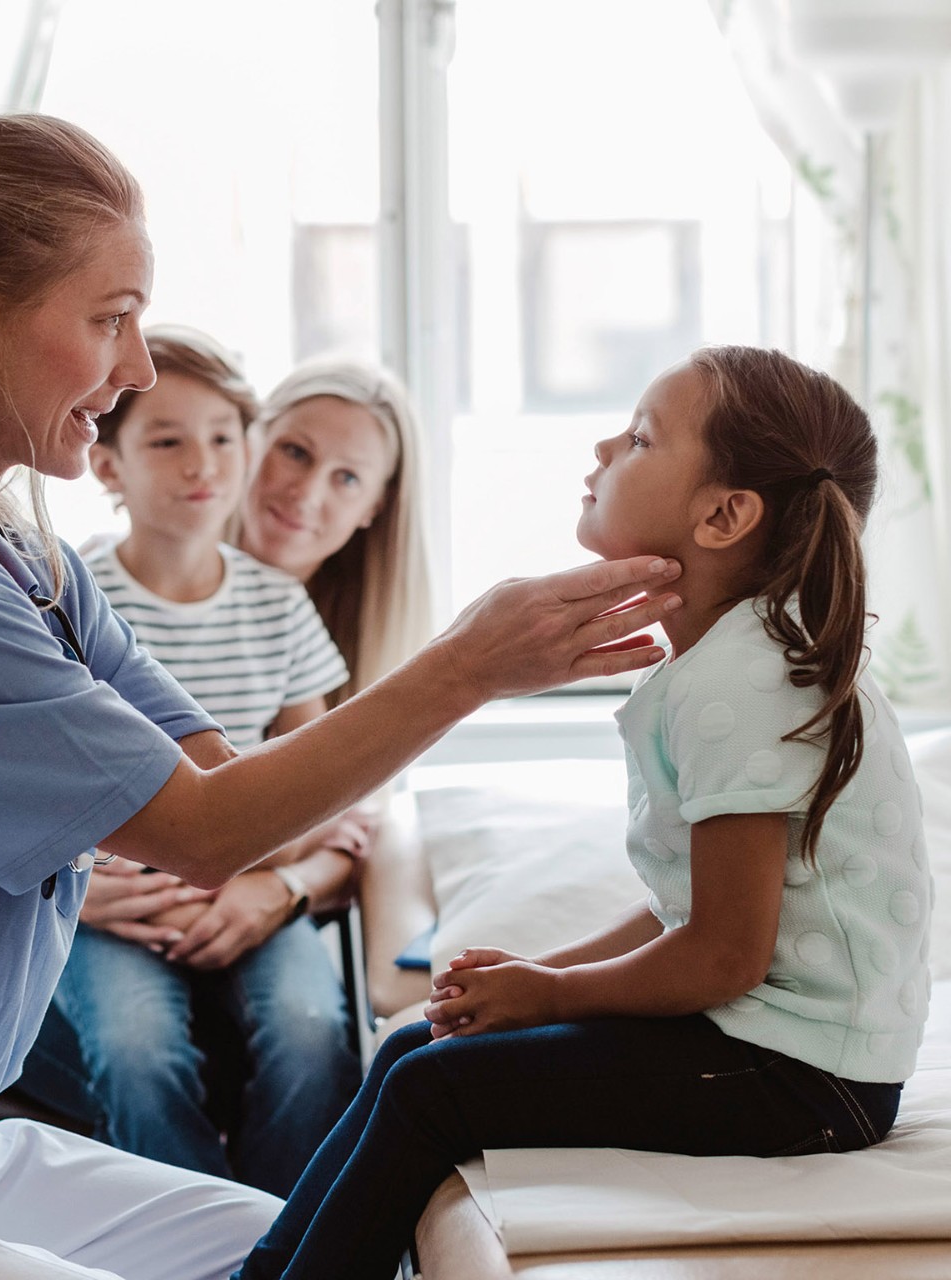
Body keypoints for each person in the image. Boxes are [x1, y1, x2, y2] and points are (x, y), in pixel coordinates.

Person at [0, 113, 681, 1280]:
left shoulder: (18, 557)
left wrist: (322, 838)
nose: (139, 366)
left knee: (335, 1251)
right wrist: (464, 665)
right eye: (109, 318)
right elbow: (207, 835)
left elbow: (222, 781)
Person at [234, 345, 933, 1280]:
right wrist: (532, 976)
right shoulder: (736, 656)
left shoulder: (743, 678)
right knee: (416, 1042)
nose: (605, 444)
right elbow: (694, 909)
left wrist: (553, 996)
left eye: (640, 436)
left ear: (725, 515)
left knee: (433, 1089)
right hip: (772, 1044)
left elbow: (725, 954)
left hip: (808, 1078)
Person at [17, 325, 363, 1196]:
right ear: (108, 465)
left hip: (246, 882)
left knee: (314, 1028)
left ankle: (285, 1238)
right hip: (116, 904)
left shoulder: (278, 605)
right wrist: (80, 884)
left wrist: (266, 870)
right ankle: (192, 1242)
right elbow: (32, 785)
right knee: (135, 1052)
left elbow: (313, 776)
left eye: (221, 438)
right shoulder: (63, 595)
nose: (201, 464)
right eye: (166, 441)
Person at [236, 359, 432, 706]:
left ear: (375, 507)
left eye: (347, 478)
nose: (307, 494)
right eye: (295, 452)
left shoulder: (366, 654)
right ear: (252, 441)